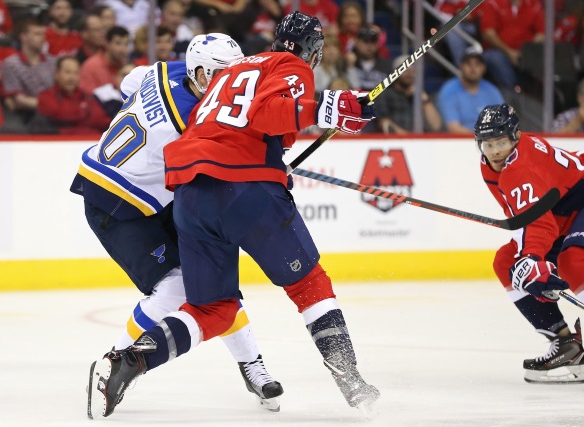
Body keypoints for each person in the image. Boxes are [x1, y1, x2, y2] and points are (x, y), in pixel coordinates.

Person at [88, 11, 380, 419]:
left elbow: (243, 125)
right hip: (244, 191)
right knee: (309, 284)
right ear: (313, 52)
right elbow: (268, 115)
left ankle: (133, 359)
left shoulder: (233, 71)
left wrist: (276, 155)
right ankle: (350, 380)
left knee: (214, 309)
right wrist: (328, 108)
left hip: (189, 194)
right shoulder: (292, 65)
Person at [74, 33, 283, 418]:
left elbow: (129, 82)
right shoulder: (190, 122)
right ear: (201, 74)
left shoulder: (167, 70)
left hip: (134, 185)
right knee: (177, 286)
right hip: (119, 202)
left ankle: (252, 365)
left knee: (214, 276)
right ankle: (113, 365)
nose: (232, 83)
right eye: (223, 75)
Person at [475, 103, 584, 385]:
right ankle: (566, 345)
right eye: (488, 144)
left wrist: (534, 258)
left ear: (516, 135)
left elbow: (538, 221)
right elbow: (526, 218)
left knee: (576, 263)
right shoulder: (491, 165)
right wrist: (529, 260)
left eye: (501, 141)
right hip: (568, 210)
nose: (496, 150)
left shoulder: (518, 168)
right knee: (506, 263)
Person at [32, 56, 110, 134]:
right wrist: (84, 113)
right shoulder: (46, 96)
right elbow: (59, 114)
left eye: (76, 73)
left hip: (87, 142)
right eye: (67, 72)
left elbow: (102, 120)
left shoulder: (88, 97)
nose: (71, 78)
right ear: (57, 74)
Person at [436, 46, 504, 134]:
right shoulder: (449, 90)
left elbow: (503, 122)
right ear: (461, 66)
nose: (473, 69)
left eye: (477, 64)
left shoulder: (492, 90)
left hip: (489, 143)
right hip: (459, 143)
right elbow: (453, 128)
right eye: (468, 64)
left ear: (483, 68)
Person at [479, 0, 545, 89]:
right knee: (495, 58)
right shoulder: (493, 3)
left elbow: (541, 33)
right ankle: (513, 95)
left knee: (548, 56)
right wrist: (509, 52)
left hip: (526, 52)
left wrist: (526, 52)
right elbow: (488, 33)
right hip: (499, 51)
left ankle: (547, 95)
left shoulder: (534, 4)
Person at [374, 53, 443, 134]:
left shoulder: (423, 96)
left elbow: (436, 126)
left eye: (412, 70)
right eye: (404, 70)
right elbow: (384, 123)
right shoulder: (385, 95)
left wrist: (425, 100)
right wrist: (409, 138)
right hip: (396, 141)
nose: (409, 73)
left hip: (421, 141)